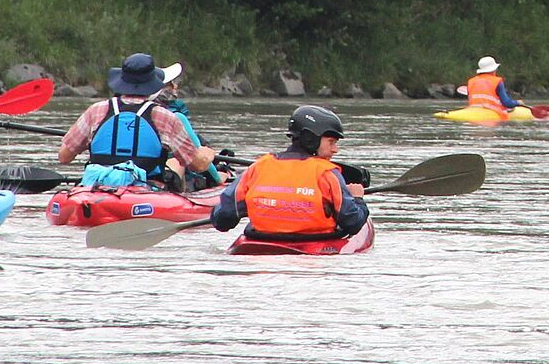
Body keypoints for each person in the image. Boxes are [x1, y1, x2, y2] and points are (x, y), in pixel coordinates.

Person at [58, 53, 218, 189]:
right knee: (177, 164)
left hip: (97, 186)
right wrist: (207, 155)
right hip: (144, 188)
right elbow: (197, 165)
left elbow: (64, 157)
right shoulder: (165, 116)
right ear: (153, 83)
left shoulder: (96, 110)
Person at [211, 105, 368, 243]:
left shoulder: (258, 167)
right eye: (331, 142)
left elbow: (222, 220)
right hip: (315, 249)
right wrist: (358, 199)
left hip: (261, 247)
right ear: (310, 139)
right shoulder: (328, 174)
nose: (335, 149)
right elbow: (352, 222)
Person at [460, 56, 526, 117]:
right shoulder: (497, 81)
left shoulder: (471, 81)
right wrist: (517, 102)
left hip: (473, 109)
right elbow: (507, 103)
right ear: (494, 69)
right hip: (493, 112)